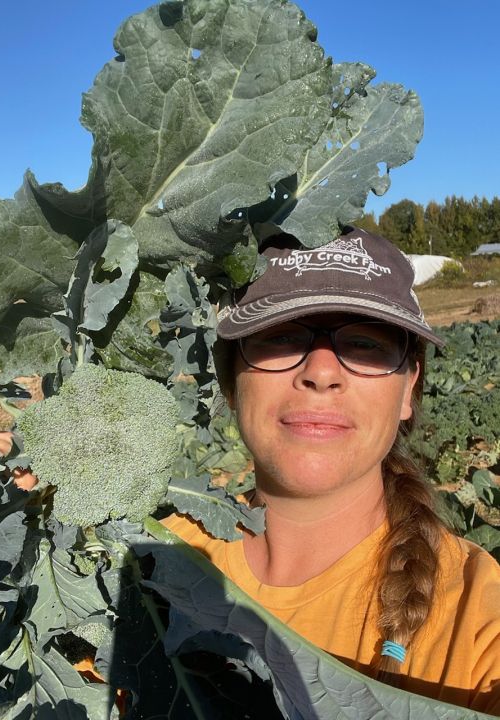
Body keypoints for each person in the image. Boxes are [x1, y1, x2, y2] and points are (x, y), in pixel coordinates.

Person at [163, 226, 500, 714]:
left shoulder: (475, 615)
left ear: (409, 389)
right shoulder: (146, 562)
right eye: (280, 336)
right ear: (231, 383)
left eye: (364, 344)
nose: (321, 372)